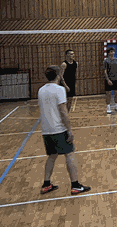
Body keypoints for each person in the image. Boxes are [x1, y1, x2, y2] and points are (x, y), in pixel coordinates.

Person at [37, 65, 90, 196]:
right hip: (59, 129)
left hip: (46, 130)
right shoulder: (59, 90)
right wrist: (69, 130)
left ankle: (46, 184)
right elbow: (63, 111)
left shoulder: (41, 90)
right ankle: (75, 185)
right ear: (58, 76)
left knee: (52, 156)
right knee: (70, 154)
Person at [103, 47, 117, 114]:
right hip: (109, 80)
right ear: (108, 53)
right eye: (111, 52)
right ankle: (108, 107)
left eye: (113, 51)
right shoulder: (106, 61)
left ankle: (116, 106)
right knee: (108, 94)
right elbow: (105, 71)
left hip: (115, 79)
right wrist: (108, 80)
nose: (113, 53)